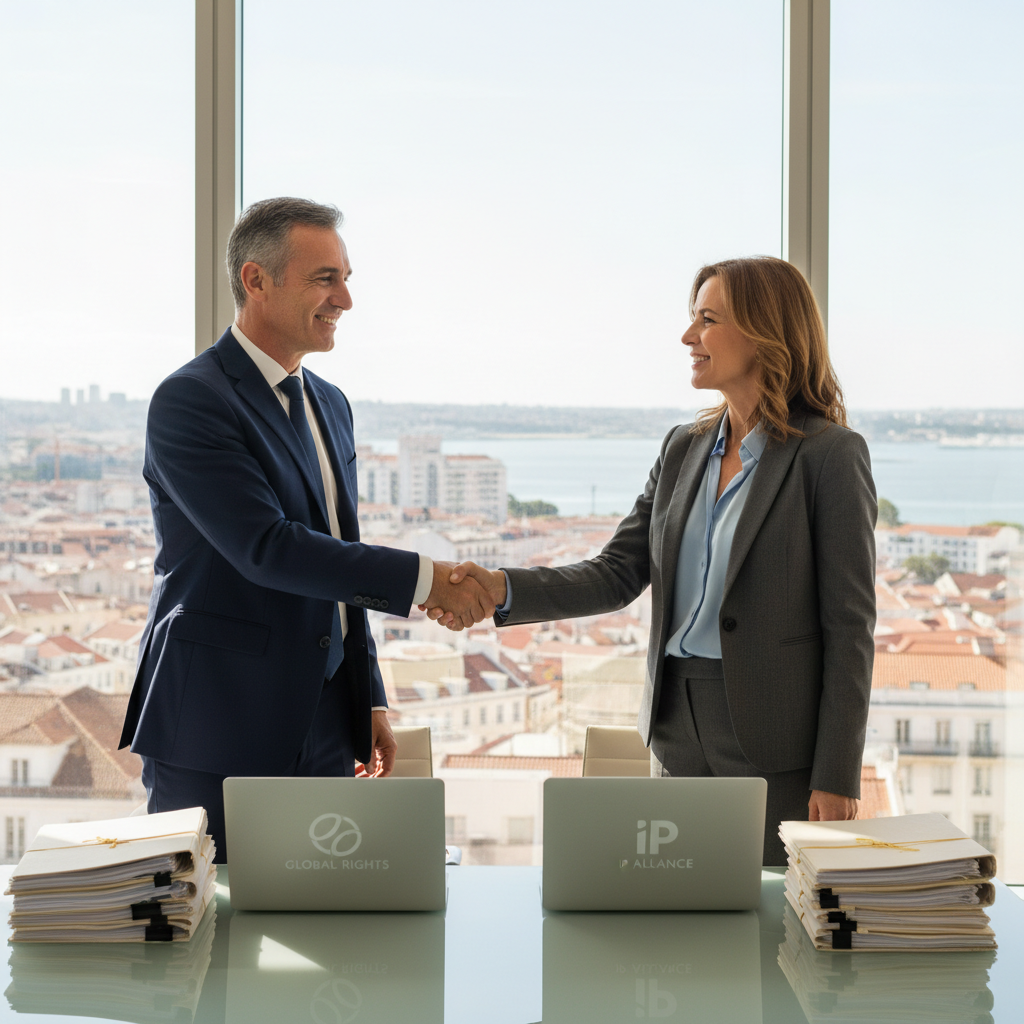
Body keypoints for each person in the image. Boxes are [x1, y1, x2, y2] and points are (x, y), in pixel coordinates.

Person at [429, 256, 876, 865]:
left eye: (708, 320)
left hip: (776, 737)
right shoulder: (683, 448)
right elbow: (616, 573)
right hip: (675, 723)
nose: (688, 337)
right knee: (679, 901)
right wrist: (502, 588)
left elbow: (850, 627)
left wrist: (838, 772)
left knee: (774, 910)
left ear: (764, 332)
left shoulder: (829, 455)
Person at [119, 197, 495, 860]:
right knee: (206, 912)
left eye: (345, 279)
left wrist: (367, 697)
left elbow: (338, 557)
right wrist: (429, 581)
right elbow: (266, 548)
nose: (345, 300)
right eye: (326, 279)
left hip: (325, 722)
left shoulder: (330, 404)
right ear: (256, 280)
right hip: (217, 723)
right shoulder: (191, 400)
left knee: (323, 908)